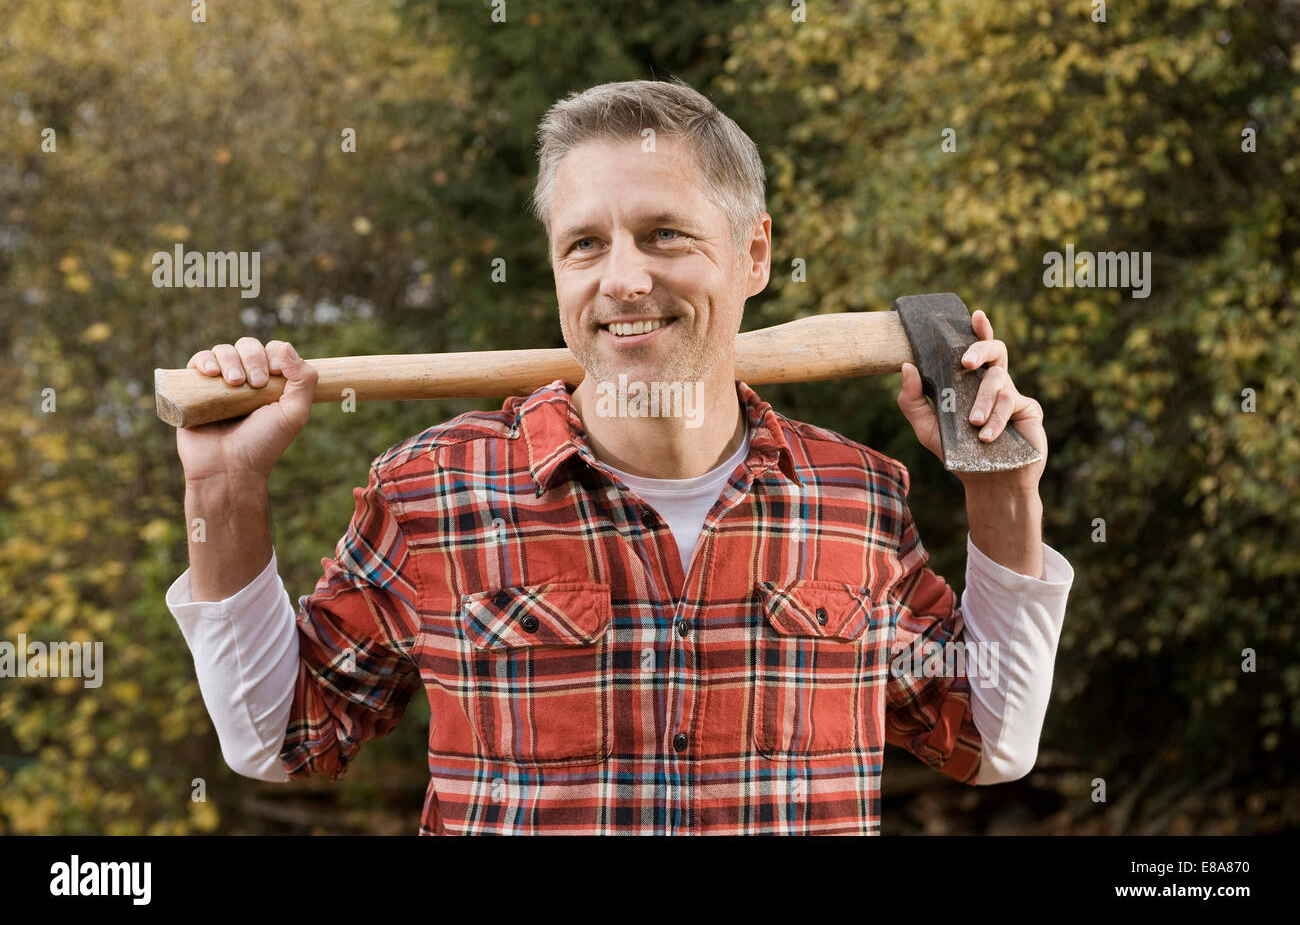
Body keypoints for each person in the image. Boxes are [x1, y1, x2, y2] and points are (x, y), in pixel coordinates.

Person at [166, 78, 1073, 835]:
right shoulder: (433, 492)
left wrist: (1005, 493)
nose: (624, 279)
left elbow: (988, 742)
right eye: (586, 245)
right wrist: (226, 491)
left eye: (664, 234)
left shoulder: (853, 495)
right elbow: (282, 740)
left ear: (753, 251)